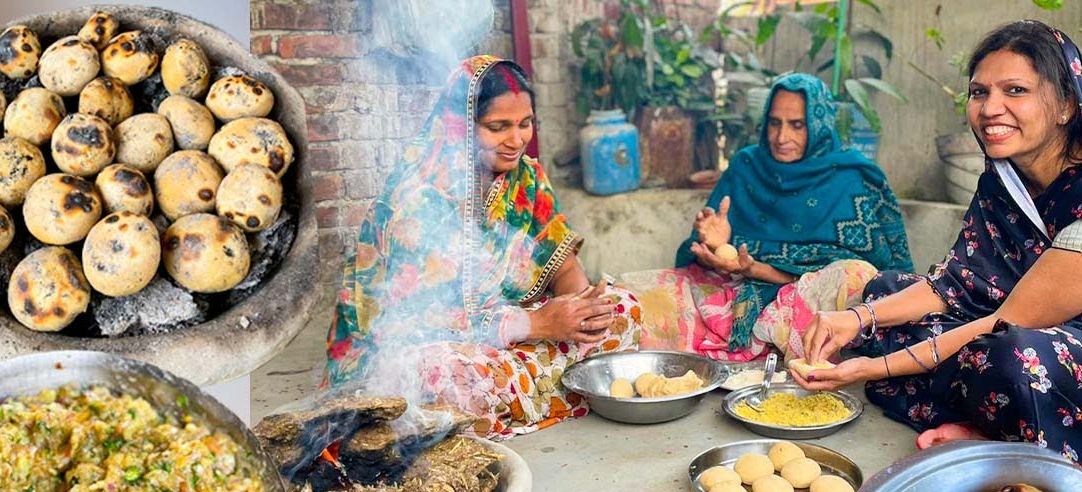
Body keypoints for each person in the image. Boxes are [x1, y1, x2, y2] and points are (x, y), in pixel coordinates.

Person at [794, 21, 1082, 485]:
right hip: (1026, 321)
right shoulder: (1007, 179)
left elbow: (1004, 321)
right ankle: (995, 423)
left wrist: (871, 367)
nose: (991, 109)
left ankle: (1000, 434)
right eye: (979, 92)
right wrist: (857, 318)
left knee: (1014, 356)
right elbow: (960, 283)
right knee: (887, 290)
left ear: (1067, 104)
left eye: (1015, 90)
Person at [325, 56, 642, 439]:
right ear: (461, 127)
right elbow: (409, 324)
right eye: (498, 127)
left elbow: (565, 266)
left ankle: (522, 396)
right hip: (423, 349)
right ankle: (554, 389)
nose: (517, 140)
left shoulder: (527, 177)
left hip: (511, 342)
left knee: (624, 309)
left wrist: (582, 315)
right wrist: (537, 325)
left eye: (525, 124)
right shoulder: (419, 199)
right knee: (448, 376)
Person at [626, 72, 912, 361]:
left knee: (856, 277)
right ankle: (754, 347)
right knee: (633, 296)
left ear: (819, 124)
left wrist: (759, 270)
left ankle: (755, 347)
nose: (781, 137)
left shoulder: (855, 177)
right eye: (774, 123)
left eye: (797, 125)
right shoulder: (747, 166)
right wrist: (714, 245)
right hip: (734, 296)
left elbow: (887, 276)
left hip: (809, 304)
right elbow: (707, 259)